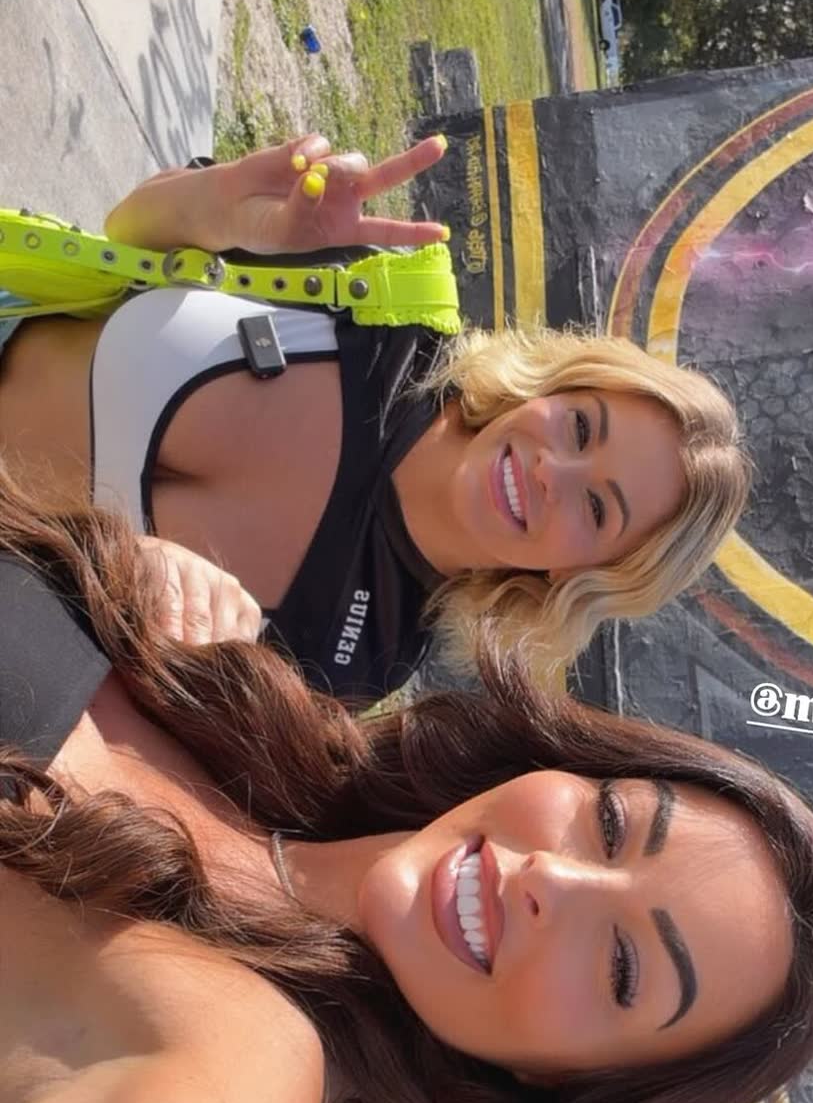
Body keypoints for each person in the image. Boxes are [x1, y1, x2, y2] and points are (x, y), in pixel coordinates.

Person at [0, 463, 813, 1103]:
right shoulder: (232, 687)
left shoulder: (236, 1095)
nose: (552, 881)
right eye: (610, 826)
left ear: (562, 1084)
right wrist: (110, 573)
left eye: (620, 966)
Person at [0, 135, 751, 702]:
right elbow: (128, 235)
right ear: (555, 388)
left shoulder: (353, 664)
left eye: (596, 508)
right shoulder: (385, 305)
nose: (553, 470)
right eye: (581, 427)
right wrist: (217, 202)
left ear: (578, 578)